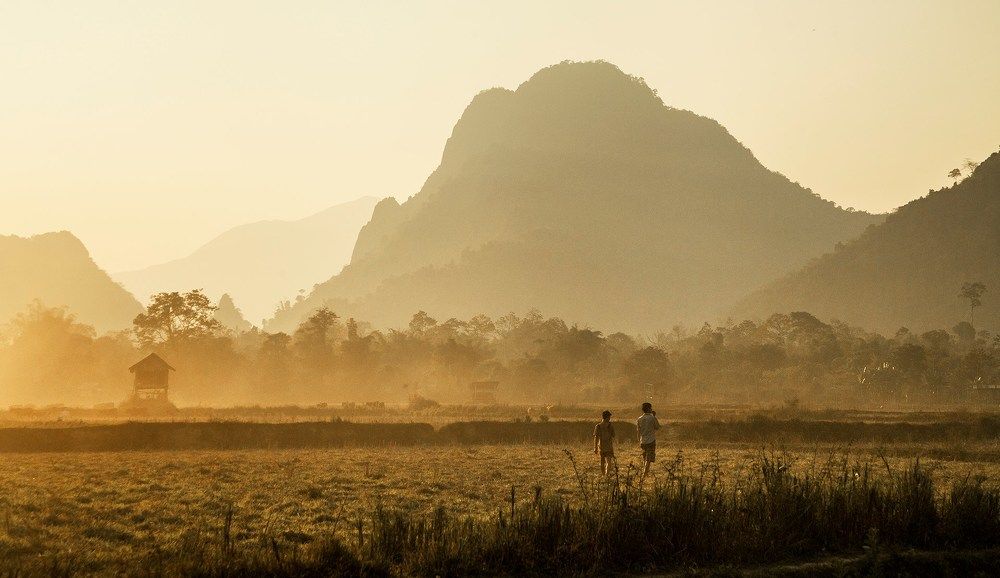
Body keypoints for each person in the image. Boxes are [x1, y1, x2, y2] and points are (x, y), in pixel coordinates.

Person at [636, 402, 661, 478]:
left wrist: (639, 441)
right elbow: (657, 427)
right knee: (648, 459)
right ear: (649, 409)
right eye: (651, 408)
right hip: (650, 440)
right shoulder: (652, 418)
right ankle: (644, 475)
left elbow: (638, 431)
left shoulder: (639, 419)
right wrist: (654, 417)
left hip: (642, 441)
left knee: (645, 457)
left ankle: (644, 472)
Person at [593, 410, 616, 475]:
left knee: (604, 462)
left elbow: (596, 438)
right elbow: (613, 435)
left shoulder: (598, 426)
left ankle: (605, 475)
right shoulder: (609, 426)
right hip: (607, 447)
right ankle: (606, 475)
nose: (609, 419)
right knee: (607, 462)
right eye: (609, 417)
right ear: (606, 417)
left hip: (602, 447)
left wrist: (595, 447)